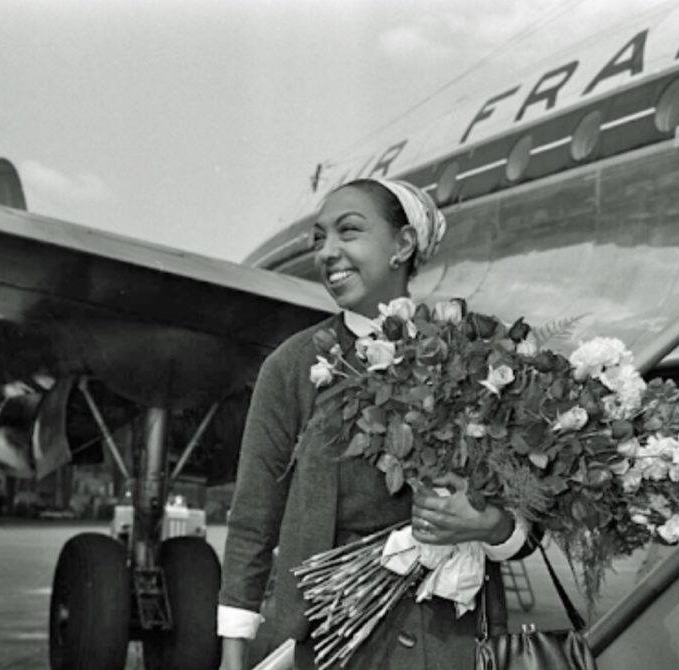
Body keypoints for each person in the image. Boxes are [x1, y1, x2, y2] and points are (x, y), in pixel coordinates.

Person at [218, 178, 534, 670]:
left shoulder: (478, 356)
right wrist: (233, 653)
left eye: (349, 231)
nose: (328, 252)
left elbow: (530, 514)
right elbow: (252, 519)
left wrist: (491, 525)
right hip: (332, 644)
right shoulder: (292, 367)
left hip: (455, 642)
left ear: (403, 245)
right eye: (319, 239)